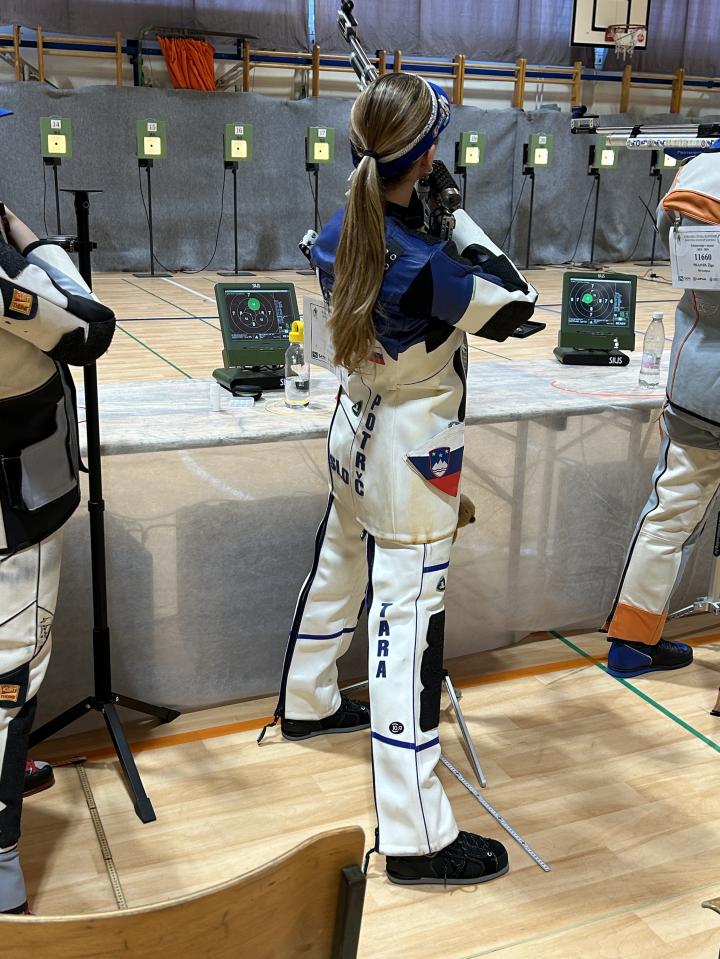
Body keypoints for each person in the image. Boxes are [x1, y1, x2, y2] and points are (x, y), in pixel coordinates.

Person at [260, 73, 537, 885]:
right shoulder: (422, 265)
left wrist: (425, 201)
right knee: (406, 627)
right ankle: (416, 835)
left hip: (355, 425)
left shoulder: (345, 223)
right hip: (413, 447)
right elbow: (515, 302)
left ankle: (309, 699)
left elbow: (398, 235)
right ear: (423, 158)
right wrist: (458, 216)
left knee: (339, 567)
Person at [0, 132, 116, 911]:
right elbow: (89, 326)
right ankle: (1, 862)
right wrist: (30, 238)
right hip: (15, 503)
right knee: (10, 672)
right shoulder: (8, 280)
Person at [604, 143, 720, 679]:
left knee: (668, 518)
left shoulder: (696, 173)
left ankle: (631, 641)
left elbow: (666, 229)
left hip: (695, 379)